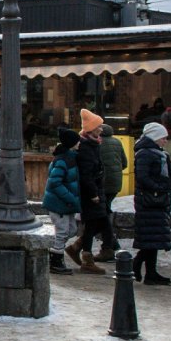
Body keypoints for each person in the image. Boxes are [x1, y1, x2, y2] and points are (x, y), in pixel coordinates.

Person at [67, 109, 113, 275]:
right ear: (91, 129)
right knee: (97, 223)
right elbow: (87, 175)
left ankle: (77, 247)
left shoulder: (92, 144)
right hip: (90, 194)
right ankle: (86, 258)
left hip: (96, 191)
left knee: (99, 222)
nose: (101, 129)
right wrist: (93, 193)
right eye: (98, 126)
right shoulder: (86, 147)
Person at [132, 122, 171, 285]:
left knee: (154, 237)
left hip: (156, 200)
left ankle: (150, 272)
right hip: (150, 201)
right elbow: (143, 177)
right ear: (155, 138)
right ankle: (136, 266)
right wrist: (160, 187)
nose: (165, 141)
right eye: (163, 138)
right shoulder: (146, 153)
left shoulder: (157, 153)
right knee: (152, 237)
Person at [41, 128, 81, 276]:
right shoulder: (63, 160)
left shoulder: (70, 158)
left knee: (71, 230)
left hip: (65, 202)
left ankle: (53, 251)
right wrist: (70, 197)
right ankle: (55, 260)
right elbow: (54, 183)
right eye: (77, 141)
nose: (79, 144)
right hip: (59, 202)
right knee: (63, 231)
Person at [89, 124, 128, 262]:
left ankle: (110, 247)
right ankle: (111, 246)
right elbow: (124, 163)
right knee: (103, 213)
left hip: (102, 184)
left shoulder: (98, 144)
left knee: (102, 215)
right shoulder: (117, 142)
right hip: (116, 183)